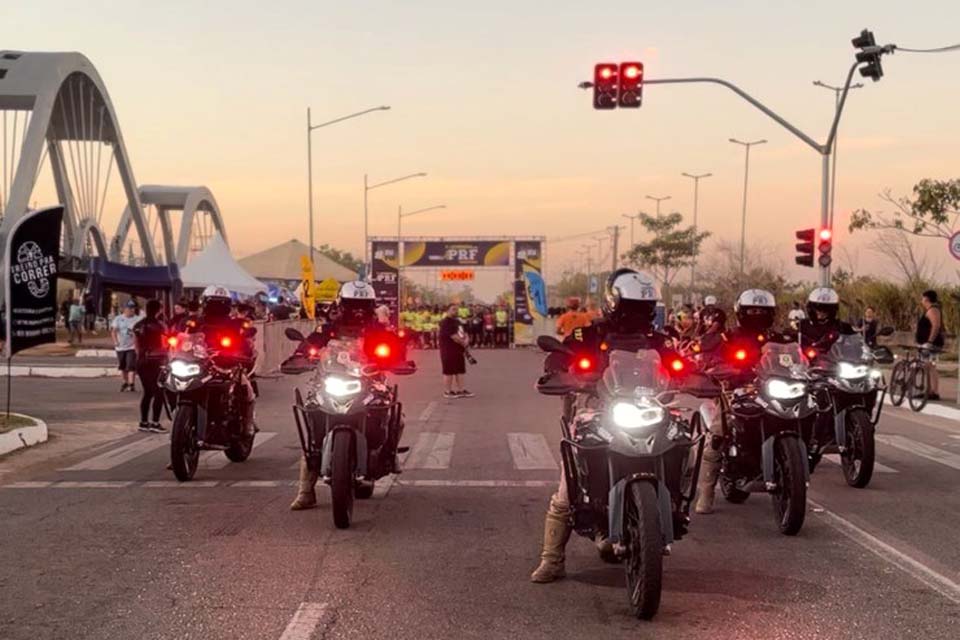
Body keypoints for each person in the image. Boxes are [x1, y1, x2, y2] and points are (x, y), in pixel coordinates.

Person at [531, 268, 676, 584]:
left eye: (644, 307)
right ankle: (552, 559)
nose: (638, 314)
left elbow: (680, 363)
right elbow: (563, 352)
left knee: (683, 442)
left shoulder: (659, 339)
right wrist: (557, 369)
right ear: (615, 302)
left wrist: (694, 374)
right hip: (596, 407)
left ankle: (675, 505)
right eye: (632, 306)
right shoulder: (589, 332)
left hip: (648, 407)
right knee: (568, 489)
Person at [290, 280, 405, 510]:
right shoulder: (329, 328)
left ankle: (389, 453)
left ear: (371, 305)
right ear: (342, 304)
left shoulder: (378, 329)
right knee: (313, 421)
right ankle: (306, 490)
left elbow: (396, 349)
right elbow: (311, 344)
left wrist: (399, 359)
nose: (358, 310)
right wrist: (301, 354)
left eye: (363, 304)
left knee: (391, 409)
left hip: (369, 381)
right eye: (353, 304)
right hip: (331, 380)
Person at [694, 288, 785, 515]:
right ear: (741, 312)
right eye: (752, 310)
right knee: (717, 433)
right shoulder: (728, 337)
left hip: (770, 391)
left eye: (762, 311)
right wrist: (719, 367)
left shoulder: (776, 337)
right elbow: (706, 353)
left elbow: (794, 357)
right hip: (735, 390)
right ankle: (706, 493)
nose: (757, 314)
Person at [133, 299, 168, 433]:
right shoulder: (160, 326)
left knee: (147, 392)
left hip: (141, 361)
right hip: (156, 360)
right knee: (159, 392)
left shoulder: (137, 325)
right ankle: (155, 422)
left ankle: (143, 421)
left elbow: (135, 345)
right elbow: (165, 344)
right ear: (159, 310)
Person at [439, 304, 473, 399]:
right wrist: (464, 343)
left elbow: (464, 332)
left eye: (457, 309)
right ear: (447, 311)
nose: (456, 311)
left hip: (458, 350)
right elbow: (454, 336)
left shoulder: (457, 321)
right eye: (453, 309)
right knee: (449, 371)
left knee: (460, 370)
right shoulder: (446, 322)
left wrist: (466, 340)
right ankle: (448, 391)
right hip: (448, 350)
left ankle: (461, 390)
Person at [916, 290, 944, 400]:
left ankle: (933, 391)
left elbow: (936, 326)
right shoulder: (929, 310)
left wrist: (929, 342)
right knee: (927, 366)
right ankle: (930, 390)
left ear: (927, 299)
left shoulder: (933, 310)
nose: (921, 301)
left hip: (931, 344)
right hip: (925, 343)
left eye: (922, 298)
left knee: (930, 366)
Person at [111, 300, 142, 391]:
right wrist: (115, 341)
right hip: (120, 346)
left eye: (133, 308)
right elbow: (114, 331)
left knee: (131, 365)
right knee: (123, 366)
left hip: (132, 346)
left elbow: (141, 332)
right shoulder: (118, 319)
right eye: (129, 308)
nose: (131, 310)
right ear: (124, 309)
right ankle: (125, 382)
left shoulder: (138, 319)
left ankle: (131, 384)